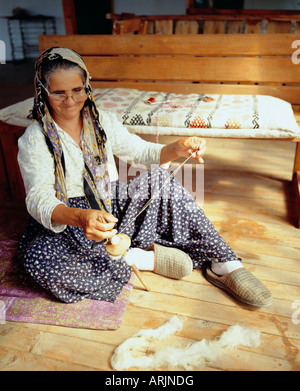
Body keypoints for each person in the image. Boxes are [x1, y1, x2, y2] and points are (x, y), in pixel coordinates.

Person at [17, 47, 272, 307]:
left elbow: (141, 152)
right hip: (67, 220)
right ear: (43, 92)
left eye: (77, 90)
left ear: (87, 87)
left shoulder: (100, 121)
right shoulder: (35, 138)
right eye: (59, 92)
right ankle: (140, 258)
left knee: (160, 180)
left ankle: (223, 263)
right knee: (39, 260)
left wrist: (177, 148)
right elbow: (39, 198)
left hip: (110, 207)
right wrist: (80, 218)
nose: (70, 100)